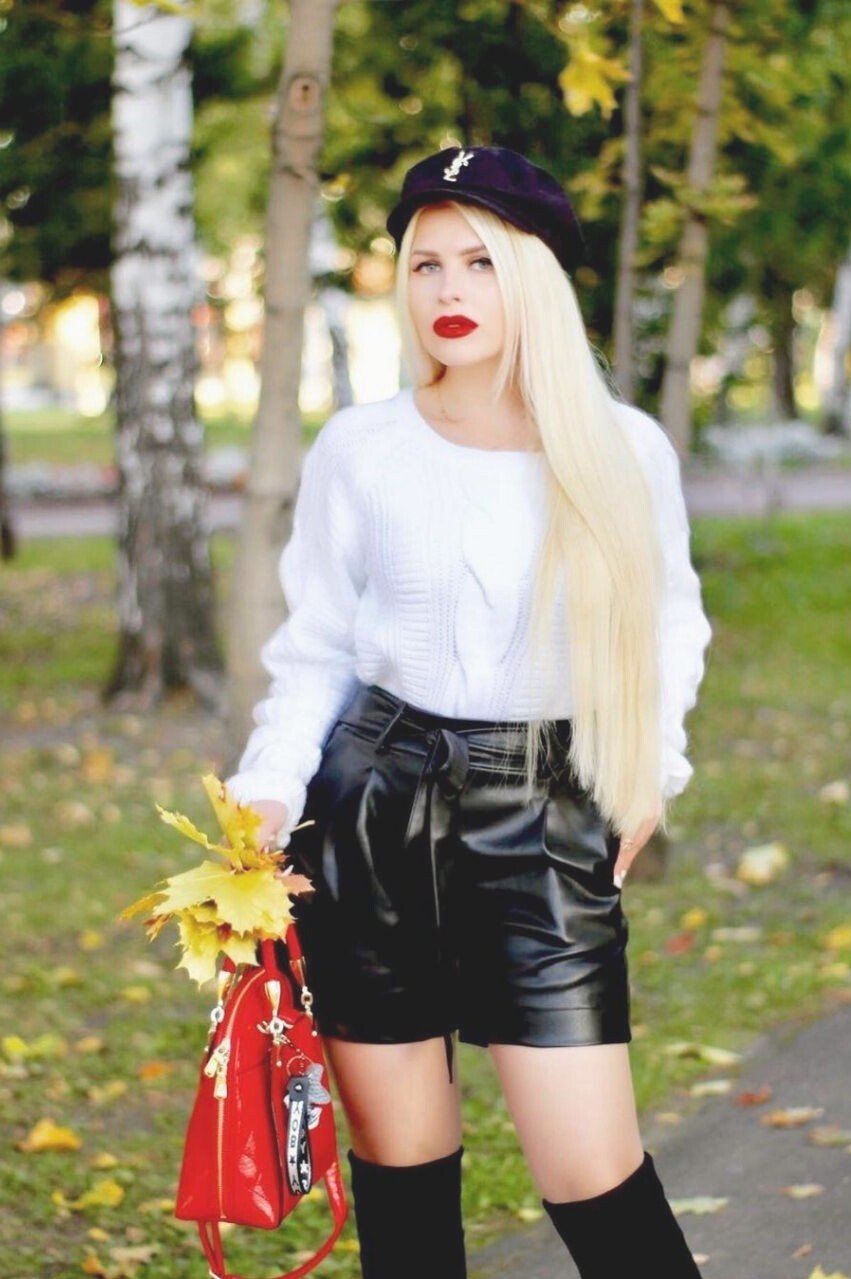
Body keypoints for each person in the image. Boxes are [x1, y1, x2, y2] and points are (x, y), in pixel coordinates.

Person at [226, 144, 713, 1279]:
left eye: (481, 262)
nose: (448, 291)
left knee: (596, 1178)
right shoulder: (362, 448)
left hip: (541, 815)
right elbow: (317, 647)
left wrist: (652, 769)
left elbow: (667, 629)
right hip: (369, 811)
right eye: (426, 264)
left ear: (532, 274)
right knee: (402, 1181)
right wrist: (269, 785)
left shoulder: (622, 450)